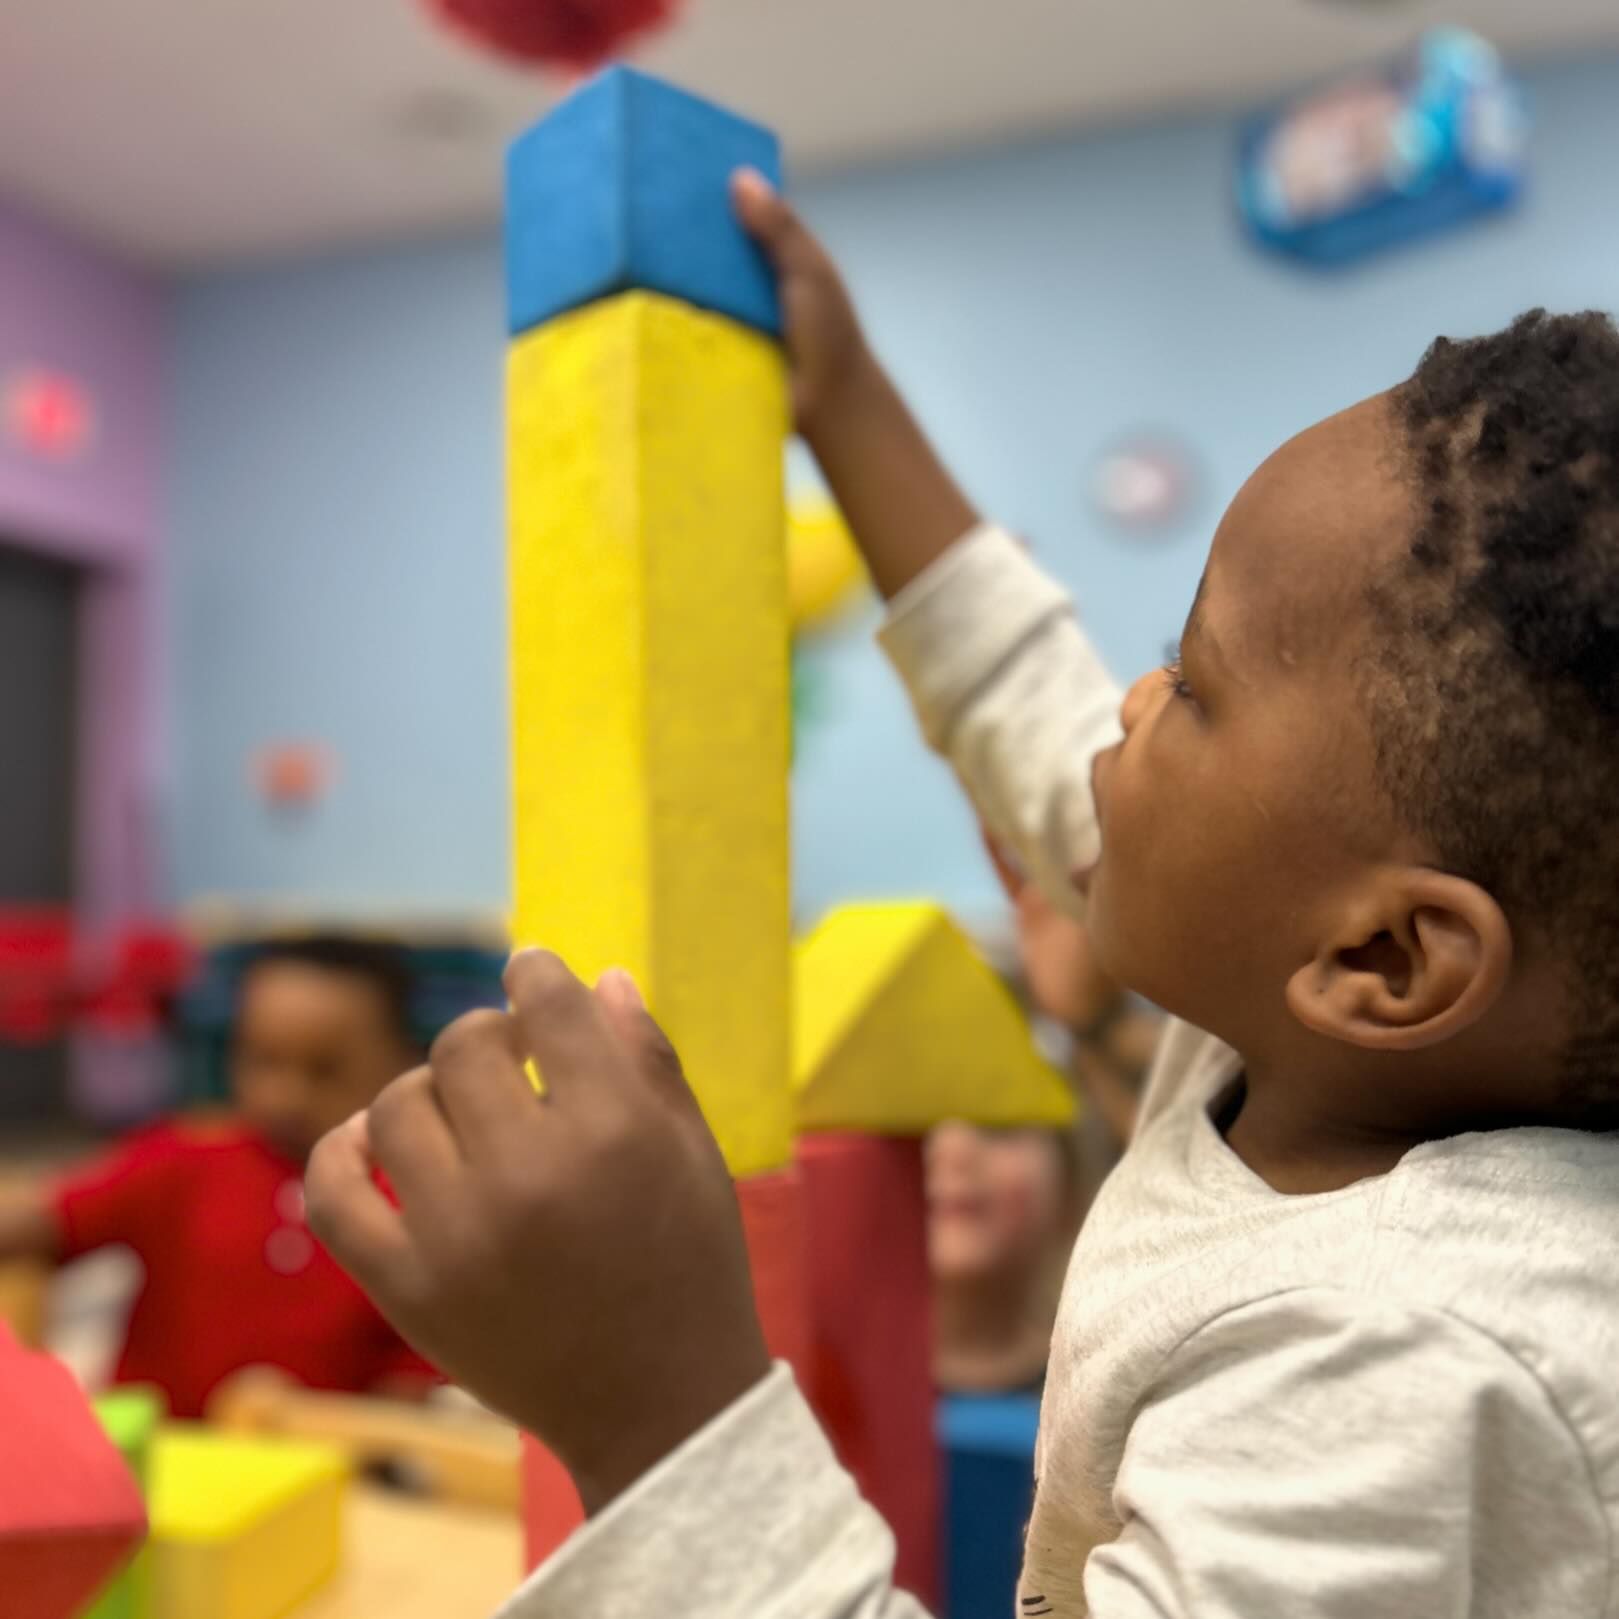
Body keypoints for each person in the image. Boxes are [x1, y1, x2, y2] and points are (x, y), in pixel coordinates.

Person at [304, 174, 1619, 1619]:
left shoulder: (1402, 1369)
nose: (1126, 701)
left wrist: (656, 1410)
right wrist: (845, 400)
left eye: (1192, 684)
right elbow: (1028, 706)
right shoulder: (1305, 1022)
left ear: (1381, 954)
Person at [0, 935, 435, 1417]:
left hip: (328, 1477)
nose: (285, 1095)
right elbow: (36, 1224)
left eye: (325, 1070)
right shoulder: (182, 1161)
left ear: (405, 1067)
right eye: (262, 1060)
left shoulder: (414, 1206)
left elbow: (411, 1394)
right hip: (153, 1463)